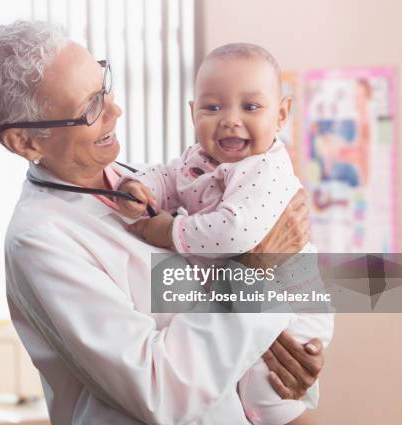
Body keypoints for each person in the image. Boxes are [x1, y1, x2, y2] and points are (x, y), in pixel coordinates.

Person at [0, 21, 325, 425]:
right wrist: (259, 269)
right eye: (90, 108)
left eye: (105, 87)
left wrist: (288, 353)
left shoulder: (146, 182)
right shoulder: (40, 240)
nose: (116, 110)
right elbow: (161, 391)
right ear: (26, 142)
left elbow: (216, 312)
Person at [115, 43, 334, 425]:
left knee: (271, 397)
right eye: (213, 107)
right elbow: (168, 177)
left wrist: (171, 231)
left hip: (294, 302)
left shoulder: (265, 170)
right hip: (250, 296)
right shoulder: (198, 160)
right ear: (192, 112)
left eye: (250, 107)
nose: (230, 119)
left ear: (281, 114)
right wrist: (141, 184)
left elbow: (237, 232)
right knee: (237, 378)